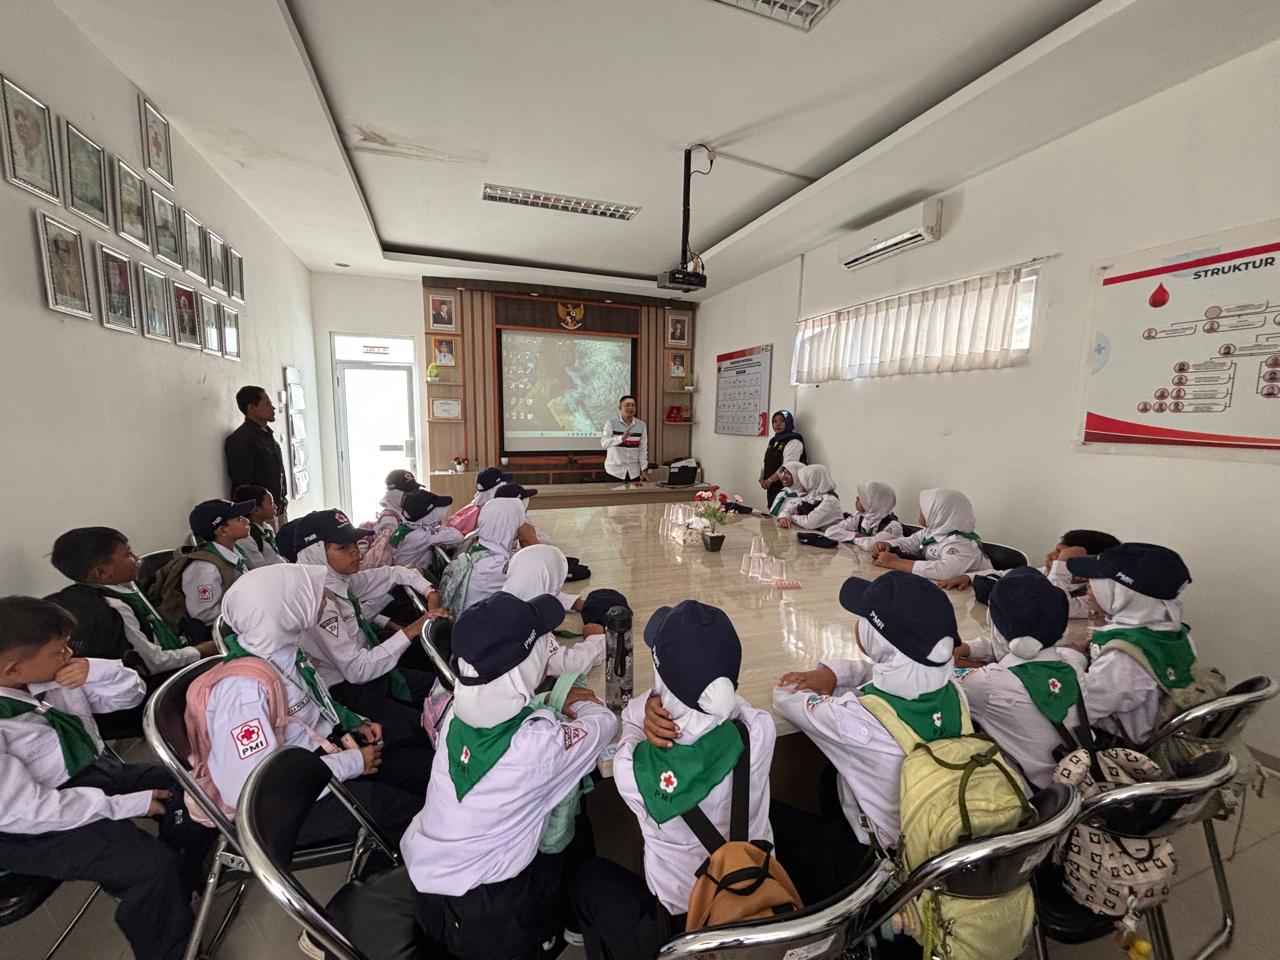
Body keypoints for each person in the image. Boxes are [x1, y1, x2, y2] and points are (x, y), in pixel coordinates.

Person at [401, 592, 618, 960]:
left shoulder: (455, 714)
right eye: (541, 643)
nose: (549, 646)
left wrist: (542, 702)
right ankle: (566, 925)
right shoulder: (535, 745)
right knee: (574, 808)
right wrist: (573, 698)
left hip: (428, 893)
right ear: (523, 667)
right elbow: (605, 724)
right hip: (492, 920)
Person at [572, 601, 778, 960]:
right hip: (759, 905)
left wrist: (646, 707)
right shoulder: (759, 731)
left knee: (588, 879)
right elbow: (735, 705)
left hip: (683, 930)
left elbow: (628, 722)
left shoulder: (632, 769)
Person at [0, 597, 202, 960]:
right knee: (148, 868)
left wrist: (97, 671)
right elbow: (25, 810)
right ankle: (168, 948)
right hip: (26, 827)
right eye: (59, 651)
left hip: (85, 777)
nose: (68, 655)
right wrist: (123, 805)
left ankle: (182, 882)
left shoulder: (48, 674)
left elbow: (130, 697)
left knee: (192, 783)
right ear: (12, 669)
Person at [769, 573, 965, 903]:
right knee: (830, 780)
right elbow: (895, 673)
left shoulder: (856, 718)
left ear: (875, 638)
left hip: (879, 872)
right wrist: (834, 673)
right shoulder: (956, 692)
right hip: (941, 848)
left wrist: (823, 676)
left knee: (767, 816)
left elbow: (786, 696)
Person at [196, 566, 422, 840]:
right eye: (306, 594)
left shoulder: (284, 653)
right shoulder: (243, 692)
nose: (323, 598)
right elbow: (251, 785)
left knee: (419, 767)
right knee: (405, 812)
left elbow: (312, 708)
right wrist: (351, 762)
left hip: (323, 759)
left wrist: (355, 722)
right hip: (294, 800)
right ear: (282, 611)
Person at [291, 510, 441, 768]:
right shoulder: (318, 603)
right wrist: (412, 630)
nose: (355, 551)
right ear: (316, 553)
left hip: (375, 674)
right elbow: (357, 671)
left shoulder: (339, 581)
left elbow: (394, 573)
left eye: (354, 543)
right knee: (425, 727)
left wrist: (430, 592)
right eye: (343, 547)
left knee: (442, 693)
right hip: (349, 691)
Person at [954, 568, 1086, 789]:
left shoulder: (986, 686)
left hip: (1034, 795)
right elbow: (1028, 652)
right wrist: (971, 650)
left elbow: (942, 679)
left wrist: (963, 660)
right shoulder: (1074, 664)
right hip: (1082, 778)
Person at [1066, 543, 1198, 744]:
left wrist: (1072, 658)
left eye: (1094, 584)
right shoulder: (1176, 633)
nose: (1088, 590)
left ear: (1120, 593)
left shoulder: (1122, 656)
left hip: (1116, 744)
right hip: (1154, 730)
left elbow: (1079, 711)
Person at [49, 527, 216, 679]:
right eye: (128, 555)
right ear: (101, 573)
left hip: (175, 655)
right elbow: (153, 662)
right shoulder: (114, 607)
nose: (136, 558)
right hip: (165, 678)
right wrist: (200, 651)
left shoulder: (117, 590)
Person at [942, 529, 1120, 621]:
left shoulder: (1097, 595)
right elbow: (1007, 575)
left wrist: (1061, 567)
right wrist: (970, 577)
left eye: (1061, 555)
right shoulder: (1050, 573)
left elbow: (1053, 605)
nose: (1050, 556)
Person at [148, 499, 255, 640]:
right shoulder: (205, 568)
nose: (247, 521)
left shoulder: (235, 551)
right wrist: (247, 613)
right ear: (223, 530)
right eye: (239, 519)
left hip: (240, 622)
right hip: (218, 635)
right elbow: (204, 615)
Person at [868, 488, 991, 581]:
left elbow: (945, 571)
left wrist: (896, 563)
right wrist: (887, 545)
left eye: (925, 508)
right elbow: (909, 542)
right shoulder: (932, 532)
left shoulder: (961, 542)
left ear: (939, 513)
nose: (920, 511)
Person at [439, 498, 536, 614]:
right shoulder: (494, 566)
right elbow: (538, 577)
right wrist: (532, 540)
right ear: (511, 525)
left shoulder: (476, 548)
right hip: (479, 622)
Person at [224, 386, 288, 521]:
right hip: (259, 515)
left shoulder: (267, 434)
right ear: (251, 408)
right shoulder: (242, 439)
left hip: (277, 509)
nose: (273, 408)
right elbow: (243, 484)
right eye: (267, 404)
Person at [391, 490, 463, 569]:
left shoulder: (408, 525)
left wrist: (437, 530)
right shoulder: (417, 536)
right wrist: (439, 530)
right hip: (410, 573)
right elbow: (458, 537)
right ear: (427, 516)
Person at [822, 481, 904, 547]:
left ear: (875, 502)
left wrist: (848, 536)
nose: (857, 498)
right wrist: (857, 535)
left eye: (863, 497)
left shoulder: (893, 526)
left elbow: (870, 545)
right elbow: (830, 532)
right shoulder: (860, 516)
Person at [759, 411, 806, 508]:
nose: (777, 424)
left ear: (788, 422)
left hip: (787, 488)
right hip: (772, 486)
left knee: (784, 513)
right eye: (774, 421)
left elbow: (787, 467)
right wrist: (762, 478)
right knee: (773, 510)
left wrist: (769, 480)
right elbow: (767, 461)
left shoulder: (794, 441)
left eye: (782, 421)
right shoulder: (773, 441)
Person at [232, 484, 286, 568]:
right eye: (271, 504)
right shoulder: (246, 539)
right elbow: (259, 568)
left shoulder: (267, 528)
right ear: (256, 510)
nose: (275, 507)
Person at [776, 464, 843, 530]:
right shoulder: (812, 495)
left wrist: (791, 517)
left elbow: (809, 523)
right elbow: (789, 508)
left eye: (803, 480)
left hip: (831, 536)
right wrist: (784, 516)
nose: (800, 483)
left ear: (812, 480)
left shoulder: (830, 500)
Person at [601, 395, 649, 484]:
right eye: (627, 405)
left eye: (633, 405)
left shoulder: (641, 425)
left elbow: (643, 450)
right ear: (620, 408)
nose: (630, 408)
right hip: (614, 472)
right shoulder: (611, 423)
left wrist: (644, 470)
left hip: (634, 472)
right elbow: (604, 443)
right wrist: (621, 438)